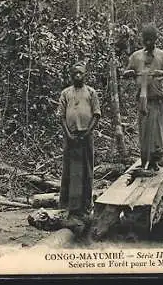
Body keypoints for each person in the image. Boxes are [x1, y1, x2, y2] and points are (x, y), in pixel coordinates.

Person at [123, 24, 163, 172]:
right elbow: (126, 72)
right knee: (144, 131)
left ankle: (155, 161)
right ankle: (144, 160)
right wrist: (129, 73)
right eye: (145, 40)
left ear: (155, 40)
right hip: (142, 99)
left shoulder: (162, 56)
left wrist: (162, 73)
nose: (148, 43)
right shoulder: (136, 56)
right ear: (142, 40)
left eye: (151, 40)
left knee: (156, 132)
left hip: (157, 100)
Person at [58, 62, 101, 220]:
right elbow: (61, 116)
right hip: (71, 136)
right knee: (70, 169)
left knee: (86, 169)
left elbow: (96, 114)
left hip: (86, 136)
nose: (77, 76)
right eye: (75, 73)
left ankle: (85, 206)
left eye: (80, 73)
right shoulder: (66, 93)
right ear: (71, 75)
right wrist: (68, 133)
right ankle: (70, 207)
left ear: (85, 75)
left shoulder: (91, 92)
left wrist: (87, 132)